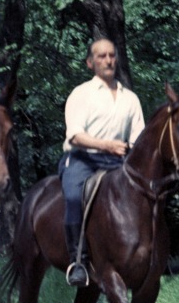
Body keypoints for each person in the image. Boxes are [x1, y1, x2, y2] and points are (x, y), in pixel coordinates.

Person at [60, 38, 146, 287]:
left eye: (111, 55)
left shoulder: (130, 98)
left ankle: (158, 256)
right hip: (83, 158)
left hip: (119, 160)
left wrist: (129, 149)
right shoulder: (81, 94)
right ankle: (78, 261)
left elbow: (138, 138)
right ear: (90, 63)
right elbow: (75, 135)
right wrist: (107, 144)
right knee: (75, 196)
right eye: (101, 56)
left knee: (150, 193)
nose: (108, 60)